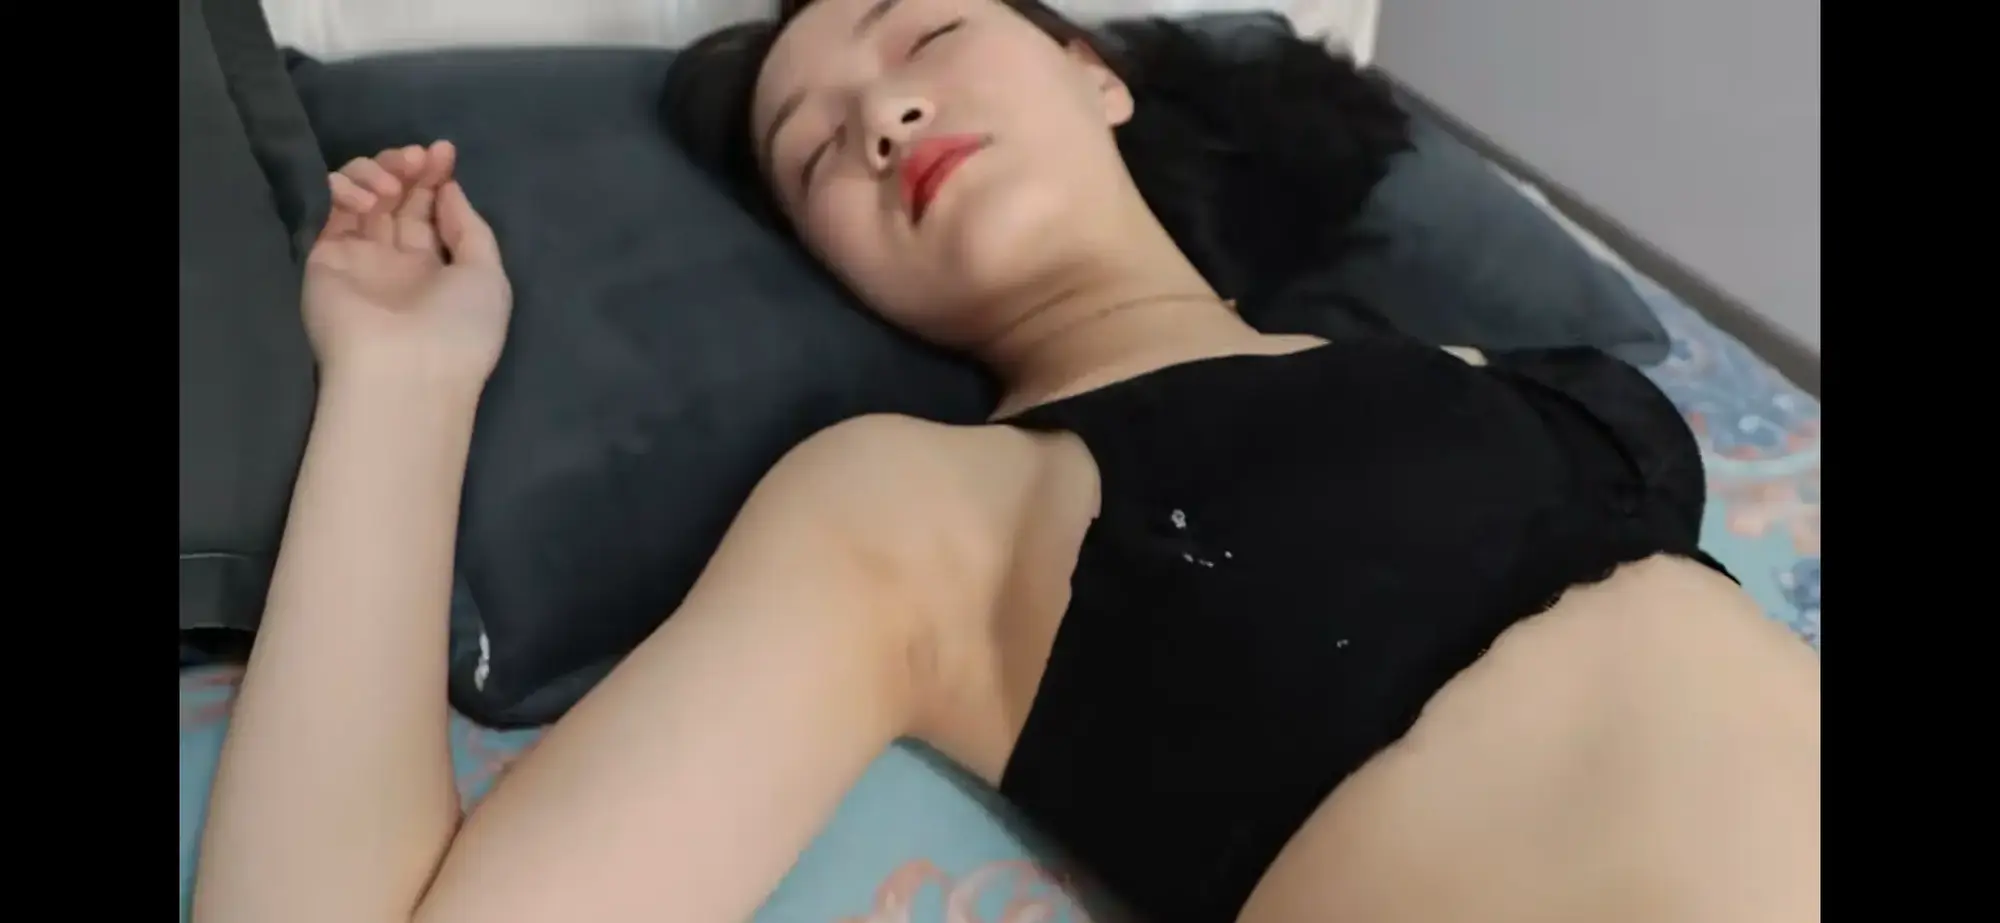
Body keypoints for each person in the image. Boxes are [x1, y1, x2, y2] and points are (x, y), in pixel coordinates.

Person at [191, 1, 1821, 922]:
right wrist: (403, 381)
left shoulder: (1460, 362)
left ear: (1093, 70)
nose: (882, 119)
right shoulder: (913, 505)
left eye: (924, 32)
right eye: (815, 152)